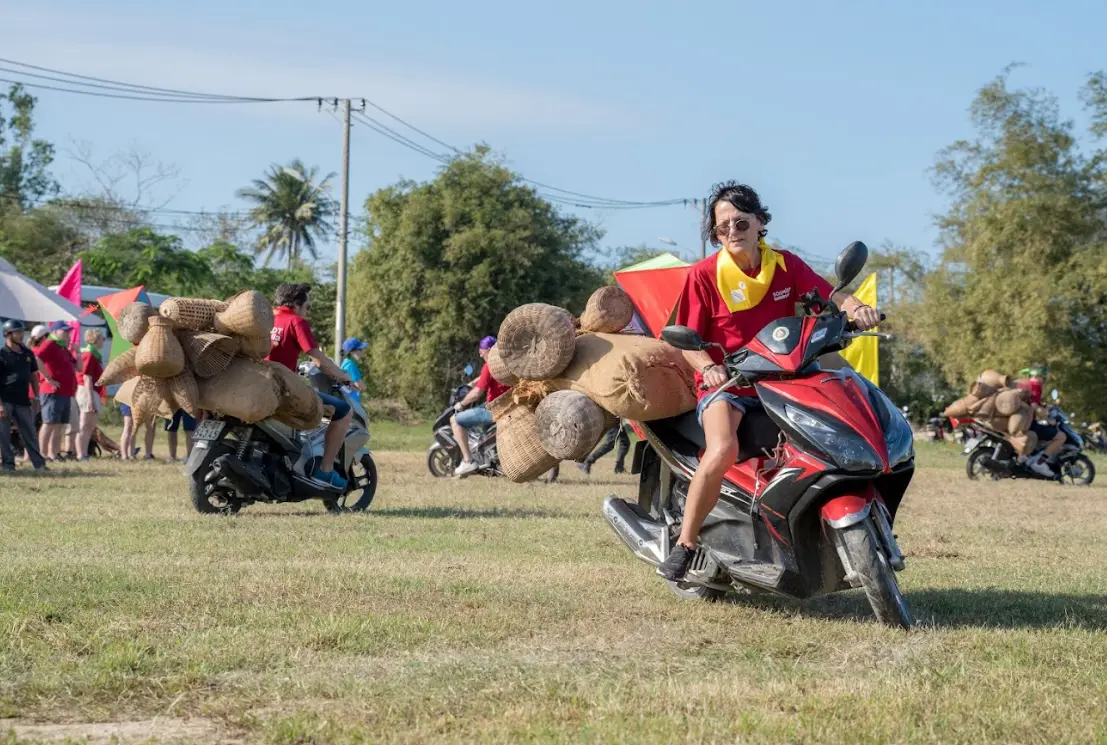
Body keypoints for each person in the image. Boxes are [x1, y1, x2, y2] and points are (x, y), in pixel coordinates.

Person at [657, 182, 882, 581]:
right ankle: (686, 544)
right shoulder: (704, 275)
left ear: (760, 222)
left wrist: (856, 306)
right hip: (729, 387)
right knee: (723, 448)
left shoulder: (784, 265)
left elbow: (829, 296)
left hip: (782, 381)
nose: (732, 231)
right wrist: (709, 366)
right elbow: (685, 340)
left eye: (741, 222)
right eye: (722, 227)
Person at [266, 283, 353, 488]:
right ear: (296, 305)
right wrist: (343, 376)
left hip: (259, 384)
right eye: (307, 307)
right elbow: (319, 360)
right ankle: (325, 470)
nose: (307, 312)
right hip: (283, 390)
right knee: (343, 411)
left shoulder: (265, 319)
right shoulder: (296, 322)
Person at [451, 336, 511, 478]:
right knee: (483, 433)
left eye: (482, 351)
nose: (480, 354)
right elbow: (488, 377)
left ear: (489, 350)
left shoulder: (489, 365)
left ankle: (468, 461)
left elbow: (477, 393)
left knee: (455, 420)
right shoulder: (506, 363)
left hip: (493, 410)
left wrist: (461, 404)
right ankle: (487, 460)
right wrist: (474, 382)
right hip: (506, 407)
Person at [0, 320, 48, 472]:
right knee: (4, 435)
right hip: (5, 401)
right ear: (8, 334)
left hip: (23, 401)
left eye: (22, 331)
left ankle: (39, 464)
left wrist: (37, 397)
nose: (22, 335)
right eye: (18, 332)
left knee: (30, 433)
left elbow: (33, 376)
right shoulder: (1, 354)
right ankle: (8, 465)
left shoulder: (28, 353)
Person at [35, 321, 78, 462]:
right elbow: (37, 358)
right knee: (49, 423)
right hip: (52, 391)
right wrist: (48, 378)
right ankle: (42, 454)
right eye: (64, 331)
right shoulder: (49, 343)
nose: (67, 334)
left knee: (58, 424)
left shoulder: (61, 346)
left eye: (68, 331)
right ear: (54, 331)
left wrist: (76, 351)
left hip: (64, 391)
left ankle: (53, 453)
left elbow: (77, 367)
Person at [1016, 366, 1065, 477]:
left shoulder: (1026, 385)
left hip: (1022, 423)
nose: (1044, 380)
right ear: (1038, 376)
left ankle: (1027, 457)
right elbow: (1034, 406)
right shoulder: (1035, 386)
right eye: (1044, 378)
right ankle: (1039, 463)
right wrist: (1048, 419)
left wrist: (1044, 405)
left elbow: (1032, 403)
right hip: (1029, 424)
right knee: (1061, 437)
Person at [75, 328, 106, 461]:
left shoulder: (94, 355)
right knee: (84, 424)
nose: (104, 340)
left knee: (89, 425)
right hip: (86, 391)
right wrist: (90, 399)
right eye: (102, 338)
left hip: (92, 391)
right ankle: (80, 453)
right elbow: (87, 377)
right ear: (95, 339)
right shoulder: (89, 354)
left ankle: (84, 453)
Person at [339, 338, 367, 403]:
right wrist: (364, 387)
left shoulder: (346, 362)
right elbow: (361, 386)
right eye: (360, 349)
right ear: (352, 352)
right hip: (353, 403)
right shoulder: (351, 365)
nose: (362, 352)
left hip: (348, 401)